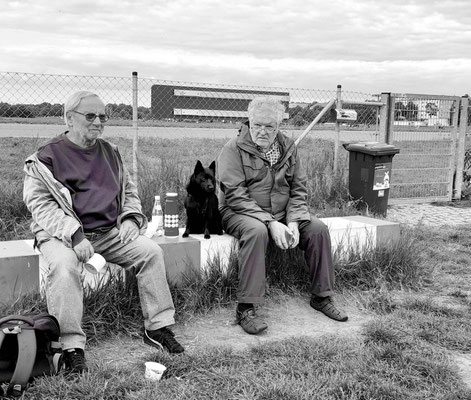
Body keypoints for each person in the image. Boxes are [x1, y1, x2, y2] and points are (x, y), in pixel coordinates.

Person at [23, 91, 184, 374]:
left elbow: (129, 192)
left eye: (103, 116)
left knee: (151, 252)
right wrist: (75, 235)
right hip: (64, 235)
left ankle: (157, 328)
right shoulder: (45, 158)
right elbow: (40, 206)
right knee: (63, 267)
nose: (98, 122)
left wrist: (132, 219)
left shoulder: (111, 152)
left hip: (109, 232)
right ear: (69, 118)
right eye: (90, 116)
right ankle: (71, 346)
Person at [216, 97, 348, 335]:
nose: (263, 131)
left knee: (317, 229)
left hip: (282, 213)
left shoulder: (288, 148)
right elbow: (235, 195)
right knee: (256, 232)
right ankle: (246, 307)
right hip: (239, 212)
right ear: (249, 121)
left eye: (270, 126)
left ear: (278, 126)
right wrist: (270, 222)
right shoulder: (233, 149)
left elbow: (299, 188)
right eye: (258, 125)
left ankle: (322, 296)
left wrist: (295, 220)